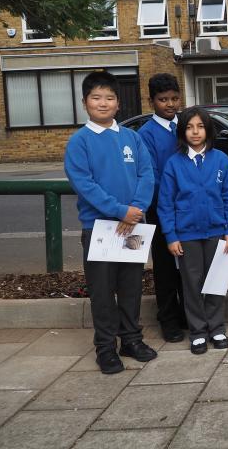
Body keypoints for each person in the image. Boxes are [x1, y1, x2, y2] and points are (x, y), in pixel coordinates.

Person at [64, 71, 157, 374]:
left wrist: (137, 208)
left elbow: (147, 174)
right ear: (85, 102)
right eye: (96, 97)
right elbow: (84, 184)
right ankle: (106, 348)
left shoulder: (132, 138)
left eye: (109, 98)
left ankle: (131, 339)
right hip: (100, 229)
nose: (103, 103)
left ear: (118, 103)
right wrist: (120, 210)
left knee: (131, 287)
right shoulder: (80, 142)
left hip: (134, 225)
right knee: (103, 293)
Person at [157, 106, 228, 354]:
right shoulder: (174, 163)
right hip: (187, 235)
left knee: (215, 282)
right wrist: (171, 236)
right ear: (182, 131)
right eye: (189, 127)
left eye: (200, 126)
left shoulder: (221, 160)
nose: (195, 132)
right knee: (192, 283)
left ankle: (217, 327)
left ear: (208, 130)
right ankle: (198, 331)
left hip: (216, 233)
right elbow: (166, 203)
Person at [137, 73, 187, 343]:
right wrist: (169, 205)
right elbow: (150, 176)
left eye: (174, 98)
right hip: (161, 211)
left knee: (186, 266)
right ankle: (167, 318)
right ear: (152, 101)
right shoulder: (146, 134)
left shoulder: (186, 126)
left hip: (189, 211)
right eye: (163, 100)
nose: (169, 104)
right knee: (166, 267)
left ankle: (184, 313)